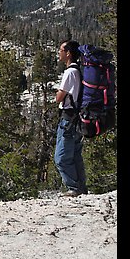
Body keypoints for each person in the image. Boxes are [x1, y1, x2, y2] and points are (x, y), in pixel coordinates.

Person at [54, 39, 88, 197]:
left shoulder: (69, 72)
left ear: (68, 53)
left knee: (61, 157)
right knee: (75, 154)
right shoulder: (79, 70)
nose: (59, 53)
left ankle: (73, 187)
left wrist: (57, 93)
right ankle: (81, 187)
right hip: (78, 118)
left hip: (68, 118)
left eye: (61, 50)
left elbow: (59, 97)